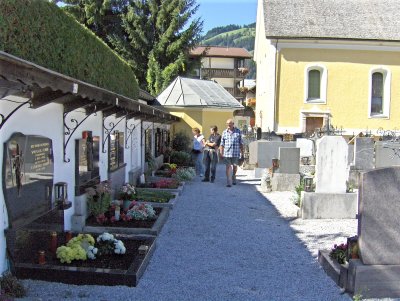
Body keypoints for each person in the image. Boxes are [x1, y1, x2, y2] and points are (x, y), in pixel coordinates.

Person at [219, 119, 244, 187]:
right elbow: (222, 144)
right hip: (227, 153)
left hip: (235, 153)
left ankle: (234, 176)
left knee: (235, 166)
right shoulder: (224, 132)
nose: (228, 125)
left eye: (229, 124)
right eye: (227, 124)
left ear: (233, 124)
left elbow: (241, 143)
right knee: (228, 167)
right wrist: (221, 153)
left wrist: (242, 153)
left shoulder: (238, 131)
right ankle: (229, 181)